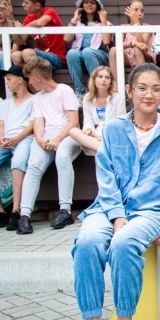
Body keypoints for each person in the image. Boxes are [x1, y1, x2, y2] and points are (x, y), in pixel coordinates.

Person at [71, 63, 160, 320]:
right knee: (87, 242)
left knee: (123, 243)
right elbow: (105, 174)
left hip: (152, 209)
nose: (149, 94)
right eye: (142, 88)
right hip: (108, 206)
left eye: (156, 89)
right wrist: (116, 215)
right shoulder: (112, 128)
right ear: (129, 90)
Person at [18, 57, 80, 235]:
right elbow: (39, 121)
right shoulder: (37, 98)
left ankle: (65, 211)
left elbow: (73, 121)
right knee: (34, 164)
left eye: (30, 78)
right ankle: (24, 215)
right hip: (46, 136)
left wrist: (58, 139)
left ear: (38, 77)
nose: (29, 82)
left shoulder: (64, 90)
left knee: (62, 157)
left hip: (68, 134)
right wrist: (39, 139)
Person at [0, 65, 34, 231]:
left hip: (24, 139)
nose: (6, 83)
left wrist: (16, 139)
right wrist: (1, 137)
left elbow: (33, 125)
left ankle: (16, 210)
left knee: (18, 162)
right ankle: (1, 212)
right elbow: (1, 125)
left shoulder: (34, 100)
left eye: (9, 79)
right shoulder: (6, 103)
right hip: (6, 140)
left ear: (20, 80)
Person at [69, 66, 126, 156]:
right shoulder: (87, 98)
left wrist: (103, 137)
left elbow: (120, 124)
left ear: (110, 82)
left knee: (98, 154)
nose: (103, 80)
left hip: (112, 135)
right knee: (73, 131)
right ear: (94, 80)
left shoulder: (117, 98)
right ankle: (104, 149)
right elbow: (88, 121)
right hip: (95, 136)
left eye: (107, 78)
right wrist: (89, 130)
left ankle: (103, 149)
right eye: (100, 77)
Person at [64, 0, 113, 105]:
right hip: (81, 56)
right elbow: (67, 38)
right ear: (82, 5)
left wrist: (103, 21)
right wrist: (74, 19)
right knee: (72, 53)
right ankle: (80, 91)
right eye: (86, 2)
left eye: (92, 2)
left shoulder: (105, 23)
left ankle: (95, 89)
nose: (89, 4)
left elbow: (106, 41)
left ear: (97, 6)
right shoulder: (77, 24)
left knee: (87, 52)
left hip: (100, 55)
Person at [109, 0, 156, 86]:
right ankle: (116, 86)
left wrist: (136, 24)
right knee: (113, 50)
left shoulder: (147, 27)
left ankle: (141, 84)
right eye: (136, 10)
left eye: (142, 11)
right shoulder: (123, 27)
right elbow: (118, 44)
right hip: (128, 57)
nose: (139, 13)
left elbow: (142, 44)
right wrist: (133, 43)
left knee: (137, 49)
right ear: (128, 11)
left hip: (144, 56)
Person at [9, 0, 67, 70]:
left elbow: (40, 23)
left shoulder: (50, 11)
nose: (22, 5)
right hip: (37, 57)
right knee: (15, 55)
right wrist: (11, 20)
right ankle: (29, 76)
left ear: (37, 6)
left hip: (57, 58)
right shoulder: (29, 18)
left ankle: (35, 75)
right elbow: (20, 42)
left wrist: (24, 28)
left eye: (26, 2)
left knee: (27, 53)